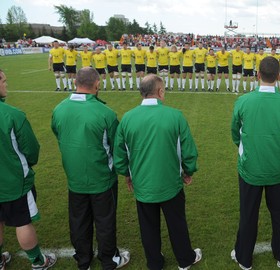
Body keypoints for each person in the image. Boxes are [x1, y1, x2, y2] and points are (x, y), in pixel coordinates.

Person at [113, 74, 202, 270]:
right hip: (170, 182)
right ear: (160, 92)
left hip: (143, 183)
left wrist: (126, 173)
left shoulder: (127, 118)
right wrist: (189, 171)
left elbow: (120, 154)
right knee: (177, 222)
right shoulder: (175, 115)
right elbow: (188, 151)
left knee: (148, 226)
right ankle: (184, 259)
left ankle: (155, 262)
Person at [51, 67, 130, 270]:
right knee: (104, 220)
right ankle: (108, 259)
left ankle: (83, 260)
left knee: (78, 220)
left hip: (75, 177)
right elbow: (116, 147)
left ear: (75, 83)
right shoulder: (106, 113)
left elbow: (58, 135)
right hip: (102, 178)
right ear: (97, 84)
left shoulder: (59, 109)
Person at [231, 57, 280, 269]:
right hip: (274, 167)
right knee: (279, 211)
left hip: (252, 167)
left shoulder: (243, 101)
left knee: (249, 213)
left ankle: (245, 258)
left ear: (258, 75)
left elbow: (235, 133)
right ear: (279, 76)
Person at [0, 69, 57, 270]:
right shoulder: (12, 115)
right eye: (4, 81)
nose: (6, 85)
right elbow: (31, 149)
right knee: (22, 220)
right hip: (14, 181)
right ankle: (38, 261)